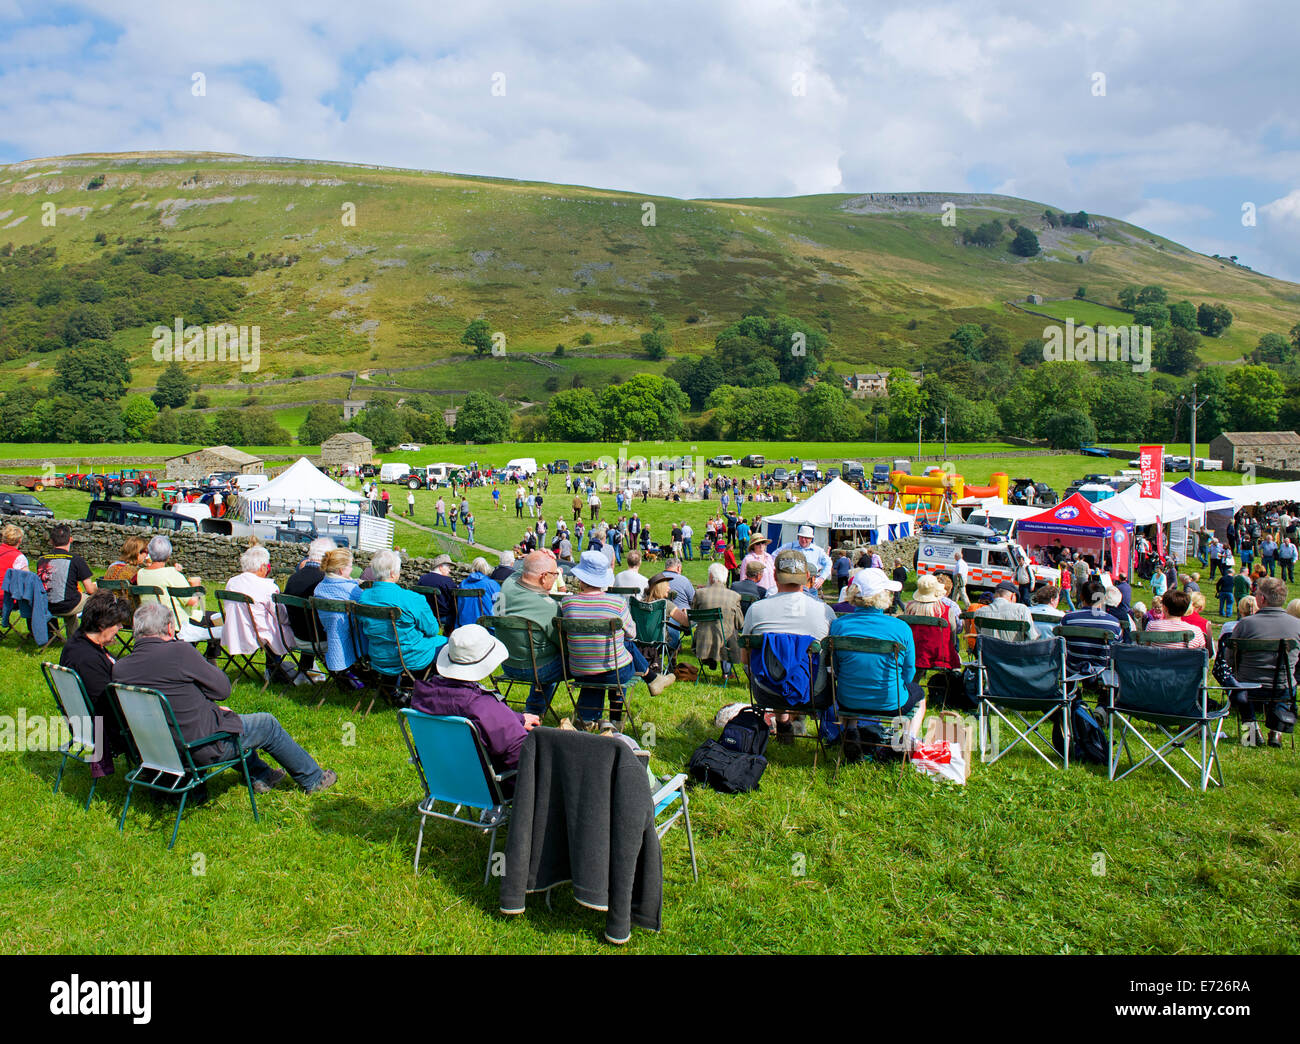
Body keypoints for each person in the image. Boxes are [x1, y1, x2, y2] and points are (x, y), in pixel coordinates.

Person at [113, 602, 337, 793]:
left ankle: (262, 775)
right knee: (266, 724)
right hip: (197, 748)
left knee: (226, 719)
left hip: (155, 749)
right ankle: (313, 779)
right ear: (170, 628)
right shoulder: (179, 652)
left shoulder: (120, 668)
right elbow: (222, 690)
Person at [560, 551, 671, 729]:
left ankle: (587, 718)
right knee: (622, 651)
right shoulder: (616, 603)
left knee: (605, 661)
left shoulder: (568, 604)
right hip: (614, 671)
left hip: (579, 669)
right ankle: (616, 718)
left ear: (581, 579)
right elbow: (632, 634)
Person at [413, 624, 539, 775]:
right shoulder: (482, 706)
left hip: (444, 778)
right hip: (495, 788)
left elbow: (493, 720)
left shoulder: (424, 696)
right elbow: (520, 757)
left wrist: (517, 719)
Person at [741, 549, 837, 741]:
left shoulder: (756, 609)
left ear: (775, 576)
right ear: (808, 577)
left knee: (776, 669)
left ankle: (783, 722)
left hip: (766, 692)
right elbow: (832, 660)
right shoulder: (824, 611)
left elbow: (745, 658)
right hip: (813, 691)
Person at [830, 568, 925, 751]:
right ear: (883, 595)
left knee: (854, 680)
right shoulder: (901, 627)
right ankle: (909, 738)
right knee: (919, 696)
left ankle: (851, 729)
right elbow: (909, 671)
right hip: (890, 702)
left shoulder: (839, 625)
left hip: (847, 699)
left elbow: (836, 667)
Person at [59, 591, 133, 778]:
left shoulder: (77, 643)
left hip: (84, 722)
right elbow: (110, 705)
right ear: (102, 625)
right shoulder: (87, 660)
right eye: (117, 624)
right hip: (107, 730)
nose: (119, 628)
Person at [1224, 576, 1300, 747]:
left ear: (1262, 599)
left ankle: (1250, 730)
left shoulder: (1245, 624)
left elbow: (1230, 658)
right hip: (1283, 686)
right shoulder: (1297, 625)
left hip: (1248, 686)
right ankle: (1276, 731)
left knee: (1240, 685)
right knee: (1286, 689)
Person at [358, 549, 447, 679]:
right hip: (409, 657)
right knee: (448, 643)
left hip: (378, 655)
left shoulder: (363, 598)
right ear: (393, 574)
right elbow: (433, 630)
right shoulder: (412, 598)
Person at [134, 534, 221, 659]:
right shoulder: (172, 574)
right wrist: (196, 586)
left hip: (151, 620)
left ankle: (192, 654)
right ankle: (209, 659)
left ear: (149, 553)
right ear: (169, 555)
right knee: (214, 617)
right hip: (177, 622)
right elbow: (191, 601)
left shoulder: (141, 573)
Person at [224, 544, 300, 686]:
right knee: (283, 628)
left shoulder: (232, 582)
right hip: (258, 634)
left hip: (235, 630)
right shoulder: (267, 586)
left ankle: (274, 668)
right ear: (262, 567)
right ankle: (276, 668)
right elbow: (281, 616)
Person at [313, 548, 366, 690]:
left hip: (326, 636)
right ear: (342, 570)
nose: (351, 569)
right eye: (350, 566)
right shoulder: (352, 591)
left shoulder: (319, 588)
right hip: (354, 641)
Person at [283, 537, 335, 681]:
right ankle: (348, 678)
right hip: (320, 639)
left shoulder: (293, 578)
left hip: (297, 636)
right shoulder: (325, 581)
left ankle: (305, 669)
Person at [690, 563, 744, 672]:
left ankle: (710, 661)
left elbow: (693, 616)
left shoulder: (700, 593)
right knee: (730, 633)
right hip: (726, 644)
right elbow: (740, 623)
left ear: (711, 577)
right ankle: (726, 672)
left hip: (702, 642)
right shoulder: (734, 596)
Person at [37, 523, 96, 621]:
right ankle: (92, 633)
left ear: (51, 541)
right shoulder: (76, 560)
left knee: (71, 596)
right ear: (71, 539)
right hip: (68, 605)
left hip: (46, 604)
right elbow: (90, 589)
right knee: (97, 600)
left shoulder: (42, 560)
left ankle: (72, 634)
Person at [772, 525, 832, 592]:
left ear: (811, 539)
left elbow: (828, 563)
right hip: (792, 583)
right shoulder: (789, 546)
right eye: (802, 537)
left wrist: (822, 578)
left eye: (806, 538)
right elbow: (773, 556)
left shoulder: (818, 550)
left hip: (810, 585)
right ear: (798, 537)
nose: (803, 540)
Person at [975, 581, 1041, 641]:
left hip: (988, 653)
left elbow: (980, 635)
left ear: (995, 596)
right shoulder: (1021, 609)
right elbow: (1032, 637)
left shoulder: (979, 612)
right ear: (1013, 596)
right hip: (1015, 652)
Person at [415, 553, 458, 634]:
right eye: (448, 567)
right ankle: (448, 638)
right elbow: (455, 602)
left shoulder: (422, 579)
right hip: (442, 617)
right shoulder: (447, 581)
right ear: (441, 567)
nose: (450, 570)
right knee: (456, 614)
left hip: (424, 614)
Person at [455, 556, 502, 629]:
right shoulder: (491, 584)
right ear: (486, 568)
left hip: (464, 623)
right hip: (486, 625)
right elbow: (500, 605)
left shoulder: (463, 584)